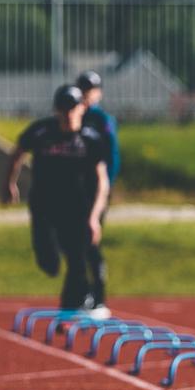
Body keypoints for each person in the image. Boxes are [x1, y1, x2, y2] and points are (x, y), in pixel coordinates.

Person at [2, 84, 110, 315]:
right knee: (49, 262)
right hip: (44, 205)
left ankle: (72, 308)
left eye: (73, 108)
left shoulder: (90, 139)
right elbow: (17, 153)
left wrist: (94, 217)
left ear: (82, 108)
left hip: (78, 208)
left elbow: (102, 181)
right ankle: (66, 285)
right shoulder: (42, 132)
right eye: (64, 109)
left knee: (77, 260)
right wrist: (10, 184)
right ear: (56, 110)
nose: (68, 114)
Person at [75, 71, 120, 319]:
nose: (85, 93)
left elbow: (112, 155)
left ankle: (98, 296)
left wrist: (106, 185)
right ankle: (83, 293)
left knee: (91, 239)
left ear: (98, 92)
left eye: (90, 89)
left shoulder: (102, 120)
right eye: (82, 88)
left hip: (97, 189)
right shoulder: (74, 116)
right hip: (76, 189)